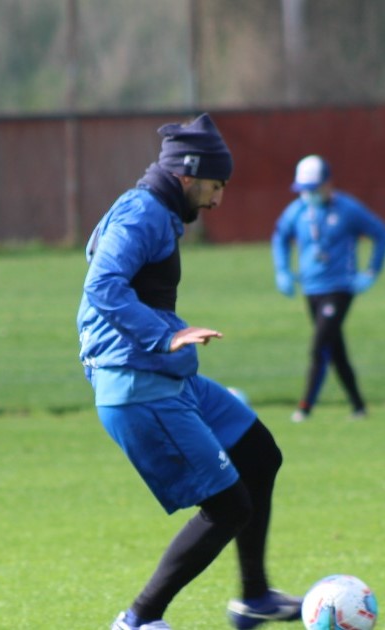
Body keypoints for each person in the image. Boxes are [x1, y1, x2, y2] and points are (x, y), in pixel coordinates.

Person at [77, 113, 300, 630]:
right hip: (137, 385)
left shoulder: (154, 211)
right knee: (228, 507)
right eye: (216, 185)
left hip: (168, 376)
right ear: (189, 173)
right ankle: (138, 620)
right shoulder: (143, 213)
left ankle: (254, 597)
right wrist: (166, 335)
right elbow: (101, 286)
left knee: (260, 455)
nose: (219, 198)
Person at [271, 155, 385, 422]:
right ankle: (359, 407)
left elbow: (381, 234)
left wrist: (371, 271)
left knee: (319, 345)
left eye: (313, 188)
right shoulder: (298, 211)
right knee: (335, 349)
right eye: (304, 189)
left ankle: (304, 408)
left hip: (339, 288)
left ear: (328, 184)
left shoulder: (348, 209)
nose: (308, 194)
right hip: (311, 289)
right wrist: (282, 270)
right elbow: (279, 236)